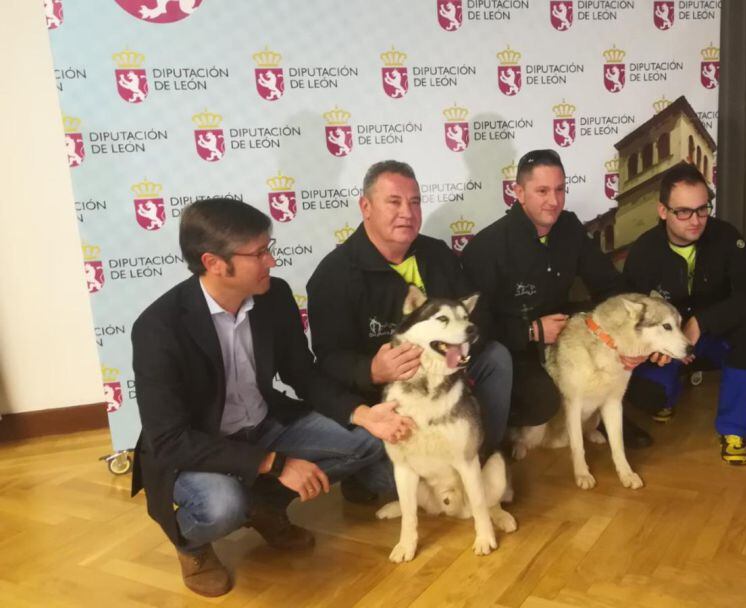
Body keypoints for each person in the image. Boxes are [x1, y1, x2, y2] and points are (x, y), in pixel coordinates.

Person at [131, 198, 410, 597]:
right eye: (259, 253)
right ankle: (192, 546)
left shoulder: (273, 295)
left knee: (365, 441)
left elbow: (303, 374)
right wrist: (276, 464)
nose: (272, 261)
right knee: (223, 507)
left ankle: (263, 506)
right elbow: (171, 440)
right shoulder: (159, 327)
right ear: (214, 263)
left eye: (269, 248)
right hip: (198, 448)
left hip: (265, 423)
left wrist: (362, 413)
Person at [306, 160, 512, 460]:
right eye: (394, 202)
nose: (408, 212)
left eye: (415, 202)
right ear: (366, 207)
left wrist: (452, 355)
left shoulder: (437, 253)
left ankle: (479, 458)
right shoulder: (333, 276)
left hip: (444, 379)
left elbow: (478, 316)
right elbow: (328, 359)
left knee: (496, 358)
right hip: (386, 399)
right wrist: (371, 370)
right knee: (395, 476)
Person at [461, 148, 652, 447]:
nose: (554, 201)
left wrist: (627, 334)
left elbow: (609, 284)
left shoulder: (569, 227)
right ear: (519, 193)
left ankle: (610, 418)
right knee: (543, 400)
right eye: (542, 191)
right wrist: (530, 331)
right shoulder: (486, 247)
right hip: (514, 346)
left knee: (612, 331)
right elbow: (476, 330)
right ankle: (505, 434)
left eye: (560, 189)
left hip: (562, 334)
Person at [622, 163, 746, 464]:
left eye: (702, 209)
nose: (696, 220)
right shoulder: (644, 251)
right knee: (646, 395)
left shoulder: (727, 237)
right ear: (663, 211)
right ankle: (671, 387)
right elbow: (630, 313)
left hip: (715, 335)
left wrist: (702, 322)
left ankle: (733, 430)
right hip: (668, 343)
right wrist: (653, 347)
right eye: (684, 212)